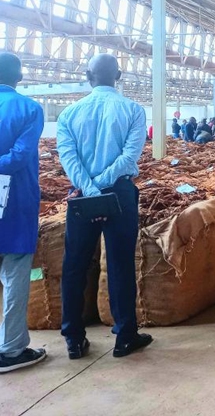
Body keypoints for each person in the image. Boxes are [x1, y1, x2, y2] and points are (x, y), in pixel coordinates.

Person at [56, 54, 152, 359]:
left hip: (81, 194)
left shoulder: (69, 114)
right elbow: (128, 157)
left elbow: (69, 158)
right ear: (118, 76)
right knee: (120, 263)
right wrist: (103, 187)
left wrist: (89, 188)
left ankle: (73, 339)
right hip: (119, 192)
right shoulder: (133, 110)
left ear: (88, 76)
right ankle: (125, 336)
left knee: (75, 265)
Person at [0, 52, 47, 373]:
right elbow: (19, 157)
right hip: (15, 201)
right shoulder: (29, 109)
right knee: (16, 275)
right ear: (19, 77)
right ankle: (11, 349)